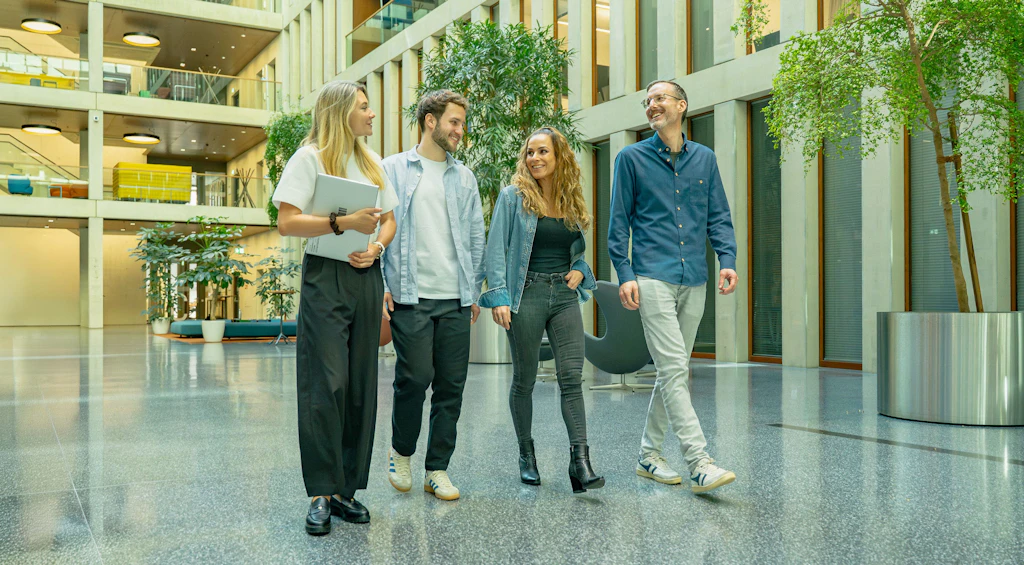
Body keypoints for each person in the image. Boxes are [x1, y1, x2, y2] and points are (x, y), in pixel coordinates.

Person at [273, 79, 398, 534]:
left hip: (366, 276)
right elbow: (287, 222)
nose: (371, 114)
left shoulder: (373, 163)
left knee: (362, 382)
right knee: (326, 383)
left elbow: (389, 222)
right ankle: (320, 493)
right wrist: (342, 223)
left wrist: (377, 249)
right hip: (325, 278)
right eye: (364, 107)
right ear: (341, 111)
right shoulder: (309, 159)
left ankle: (347, 491)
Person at [608, 80, 739, 495]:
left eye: (660, 99)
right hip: (651, 276)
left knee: (674, 371)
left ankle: (648, 454)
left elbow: (718, 215)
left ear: (681, 106)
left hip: (694, 277)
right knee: (673, 368)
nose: (652, 106)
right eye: (647, 101)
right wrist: (625, 273)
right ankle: (699, 461)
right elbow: (618, 224)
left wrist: (728, 260)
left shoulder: (705, 159)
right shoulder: (631, 158)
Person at [480, 126, 603, 494]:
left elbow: (578, 251)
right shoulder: (512, 197)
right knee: (525, 379)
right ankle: (526, 454)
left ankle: (580, 461)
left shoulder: (571, 198)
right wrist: (499, 296)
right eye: (530, 152)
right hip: (527, 293)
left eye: (542, 152)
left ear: (558, 156)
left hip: (563, 295)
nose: (534, 158)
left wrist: (581, 270)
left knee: (571, 377)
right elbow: (495, 249)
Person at [380, 90, 485, 502]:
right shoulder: (392, 169)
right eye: (454, 122)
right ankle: (401, 452)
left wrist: (473, 289)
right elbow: (378, 229)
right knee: (414, 377)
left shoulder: (464, 177)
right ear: (430, 121)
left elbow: (476, 234)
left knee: (451, 386)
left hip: (455, 297)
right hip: (410, 294)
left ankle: (437, 468)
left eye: (462, 123)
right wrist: (383, 287)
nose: (460, 130)